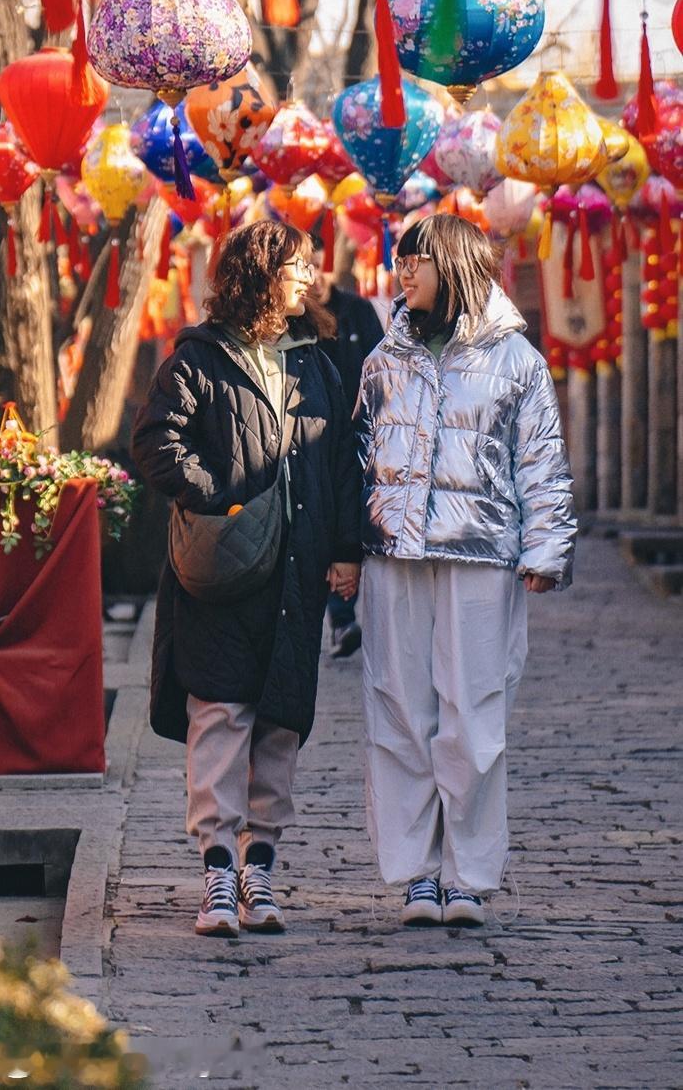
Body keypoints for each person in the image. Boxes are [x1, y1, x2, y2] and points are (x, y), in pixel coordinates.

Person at [131, 219, 362, 939]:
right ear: (260, 274)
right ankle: (217, 874)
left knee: (280, 720)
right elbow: (154, 441)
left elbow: (342, 461)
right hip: (224, 570)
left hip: (299, 572)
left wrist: (346, 548)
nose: (309, 276)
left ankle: (261, 868)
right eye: (297, 265)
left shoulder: (315, 363)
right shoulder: (199, 360)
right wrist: (218, 497)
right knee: (222, 714)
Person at [356, 212, 576, 929]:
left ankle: (468, 876)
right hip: (395, 555)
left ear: (450, 265)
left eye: (413, 260)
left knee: (474, 715)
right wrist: (343, 548)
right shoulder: (383, 359)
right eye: (398, 260)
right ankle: (418, 872)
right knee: (398, 710)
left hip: (482, 555)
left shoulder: (516, 361)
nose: (401, 272)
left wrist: (546, 549)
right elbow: (357, 460)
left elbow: (540, 459)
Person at [299, 252, 384, 658]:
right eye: (304, 267)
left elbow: (381, 367)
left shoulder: (357, 311)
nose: (313, 276)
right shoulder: (295, 315)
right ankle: (338, 616)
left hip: (357, 432)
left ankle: (345, 614)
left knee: (353, 518)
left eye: (318, 264)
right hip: (309, 436)